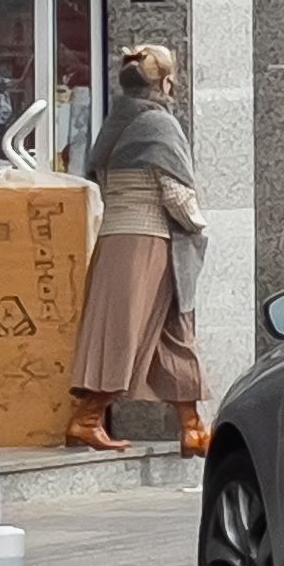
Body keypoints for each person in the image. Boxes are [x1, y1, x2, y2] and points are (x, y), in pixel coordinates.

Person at [67, 45, 211, 454]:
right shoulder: (159, 124)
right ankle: (86, 418)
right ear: (165, 81)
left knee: (172, 331)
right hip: (148, 240)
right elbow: (174, 190)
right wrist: (199, 224)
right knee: (125, 333)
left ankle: (193, 426)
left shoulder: (117, 121)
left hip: (117, 235)